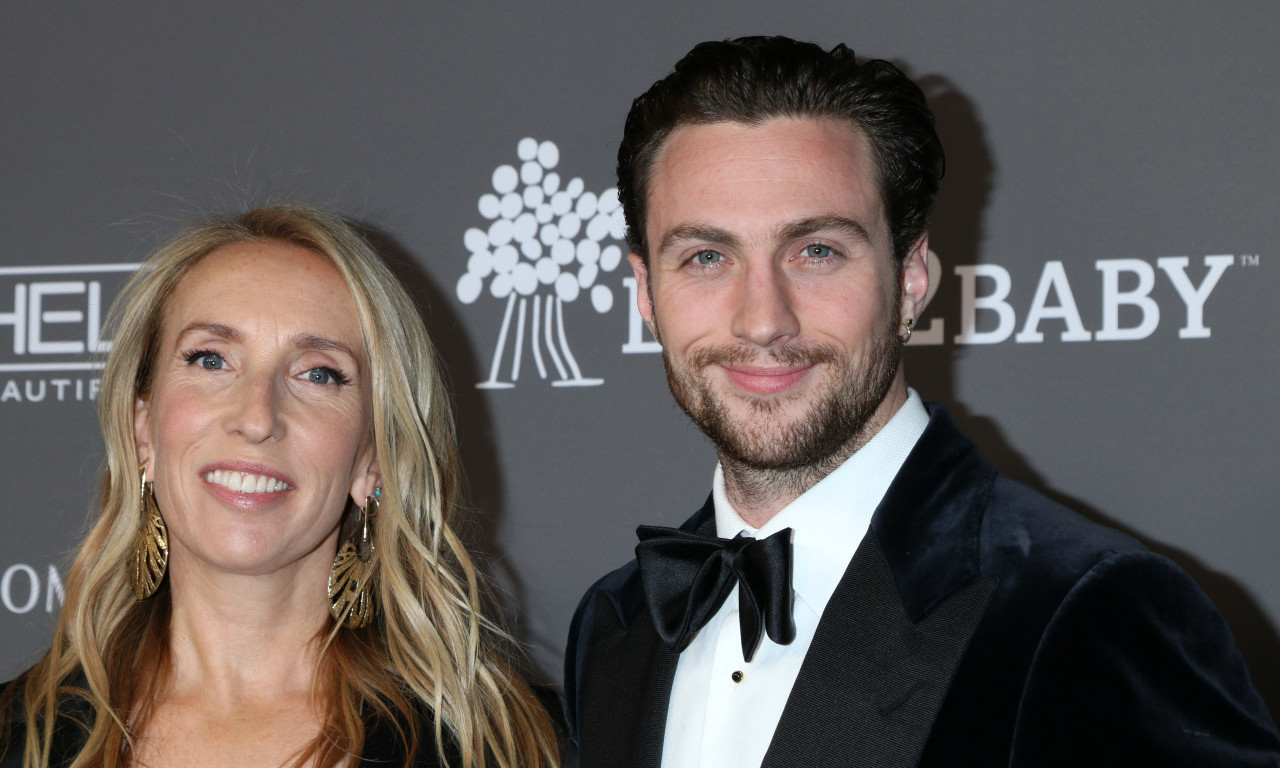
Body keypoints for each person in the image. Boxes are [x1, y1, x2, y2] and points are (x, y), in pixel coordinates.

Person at [564, 36, 1280, 767]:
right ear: (647, 293)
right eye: (707, 258)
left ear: (910, 278)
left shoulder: (1088, 609)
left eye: (817, 251)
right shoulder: (617, 625)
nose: (763, 320)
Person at [0, 205, 560, 768]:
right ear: (142, 430)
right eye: (212, 360)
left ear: (374, 457)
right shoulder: (14, 737)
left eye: (317, 374)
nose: (257, 417)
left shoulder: (511, 745)